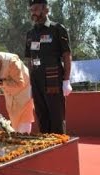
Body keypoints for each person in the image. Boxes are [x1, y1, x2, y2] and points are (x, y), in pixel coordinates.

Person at [25, 0, 72, 134]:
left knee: (56, 115)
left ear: (46, 9)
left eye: (36, 9)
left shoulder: (57, 29)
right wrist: (30, 82)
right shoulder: (30, 33)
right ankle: (46, 148)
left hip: (53, 77)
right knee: (41, 115)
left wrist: (66, 80)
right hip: (36, 79)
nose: (33, 12)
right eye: (31, 10)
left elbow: (67, 55)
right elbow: (29, 59)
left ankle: (59, 149)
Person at [0, 52, 34, 133]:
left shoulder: (12, 62)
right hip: (10, 93)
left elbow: (20, 83)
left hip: (24, 90)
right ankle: (17, 138)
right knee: (14, 118)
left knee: (25, 117)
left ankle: (24, 138)